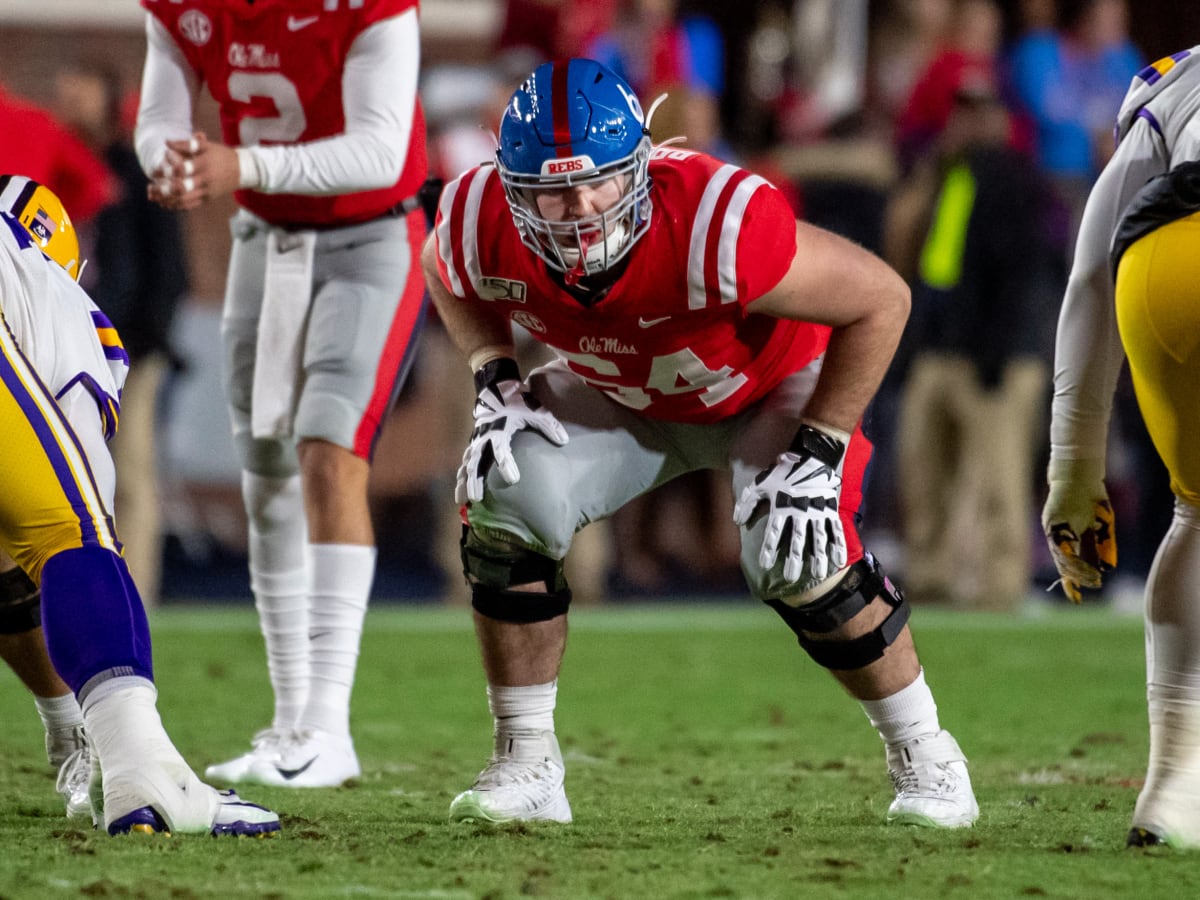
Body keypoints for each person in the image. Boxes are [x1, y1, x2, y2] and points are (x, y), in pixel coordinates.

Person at [423, 58, 979, 828]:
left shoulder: (717, 219)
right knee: (504, 488)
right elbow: (444, 269)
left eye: (600, 181)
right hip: (626, 395)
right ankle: (526, 763)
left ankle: (928, 753)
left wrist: (821, 447)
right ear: (510, 187)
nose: (579, 208)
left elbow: (881, 298)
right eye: (551, 190)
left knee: (798, 551)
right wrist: (496, 378)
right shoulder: (479, 215)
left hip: (766, 390)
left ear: (643, 167)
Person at [134, 0, 429, 788]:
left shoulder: (364, 10)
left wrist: (242, 166)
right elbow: (156, 112)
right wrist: (172, 160)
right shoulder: (188, 10)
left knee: (330, 455)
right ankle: (292, 721)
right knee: (264, 474)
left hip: (370, 238)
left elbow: (380, 147)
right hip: (266, 242)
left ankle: (331, 728)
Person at [0, 173, 279, 836]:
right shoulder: (35, 276)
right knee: (76, 537)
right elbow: (64, 535)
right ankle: (141, 768)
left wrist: (63, 718)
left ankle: (79, 732)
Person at [1042, 46, 1200, 850]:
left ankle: (1174, 789)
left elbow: (1088, 280)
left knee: (1197, 515)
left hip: (1168, 264)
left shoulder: (1173, 84)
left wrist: (1073, 468)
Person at [890, 76, 1056, 610]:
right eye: (960, 111)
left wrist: (1001, 352)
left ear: (1004, 121)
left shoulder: (1016, 178)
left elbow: (1024, 272)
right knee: (922, 468)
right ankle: (931, 573)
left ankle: (999, 582)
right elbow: (926, 263)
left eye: (980, 112)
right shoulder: (946, 175)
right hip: (942, 346)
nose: (968, 122)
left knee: (997, 476)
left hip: (999, 355)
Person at [53, 60, 191, 608]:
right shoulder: (68, 168)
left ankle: (137, 591)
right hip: (73, 347)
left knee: (130, 468)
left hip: (126, 345)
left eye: (79, 92)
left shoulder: (131, 171)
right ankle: (95, 589)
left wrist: (144, 337)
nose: (68, 104)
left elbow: (162, 269)